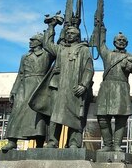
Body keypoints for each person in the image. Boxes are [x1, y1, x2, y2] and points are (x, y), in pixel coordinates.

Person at [29, 14, 94, 148]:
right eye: (67, 33)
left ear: (77, 36)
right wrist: (51, 26)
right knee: (55, 115)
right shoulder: (61, 49)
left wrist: (84, 85)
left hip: (75, 87)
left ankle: (74, 143)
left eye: (72, 33)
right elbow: (47, 44)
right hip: (58, 87)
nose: (69, 35)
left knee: (76, 115)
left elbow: (89, 70)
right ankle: (53, 141)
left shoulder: (84, 50)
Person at [1, 32, 54, 152]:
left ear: (40, 41)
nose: (30, 42)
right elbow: (20, 74)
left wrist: (51, 28)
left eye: (33, 39)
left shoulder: (46, 54)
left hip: (39, 86)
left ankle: (39, 144)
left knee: (38, 115)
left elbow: (52, 45)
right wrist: (14, 90)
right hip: (24, 87)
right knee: (17, 112)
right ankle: (12, 141)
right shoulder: (25, 56)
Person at [93, 24, 132, 152]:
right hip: (107, 88)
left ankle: (116, 145)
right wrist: (101, 29)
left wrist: (131, 68)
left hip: (122, 88)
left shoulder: (131, 57)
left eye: (124, 40)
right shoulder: (107, 54)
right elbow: (99, 44)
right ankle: (108, 145)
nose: (121, 42)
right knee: (103, 118)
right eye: (119, 40)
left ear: (127, 43)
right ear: (114, 42)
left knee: (121, 118)